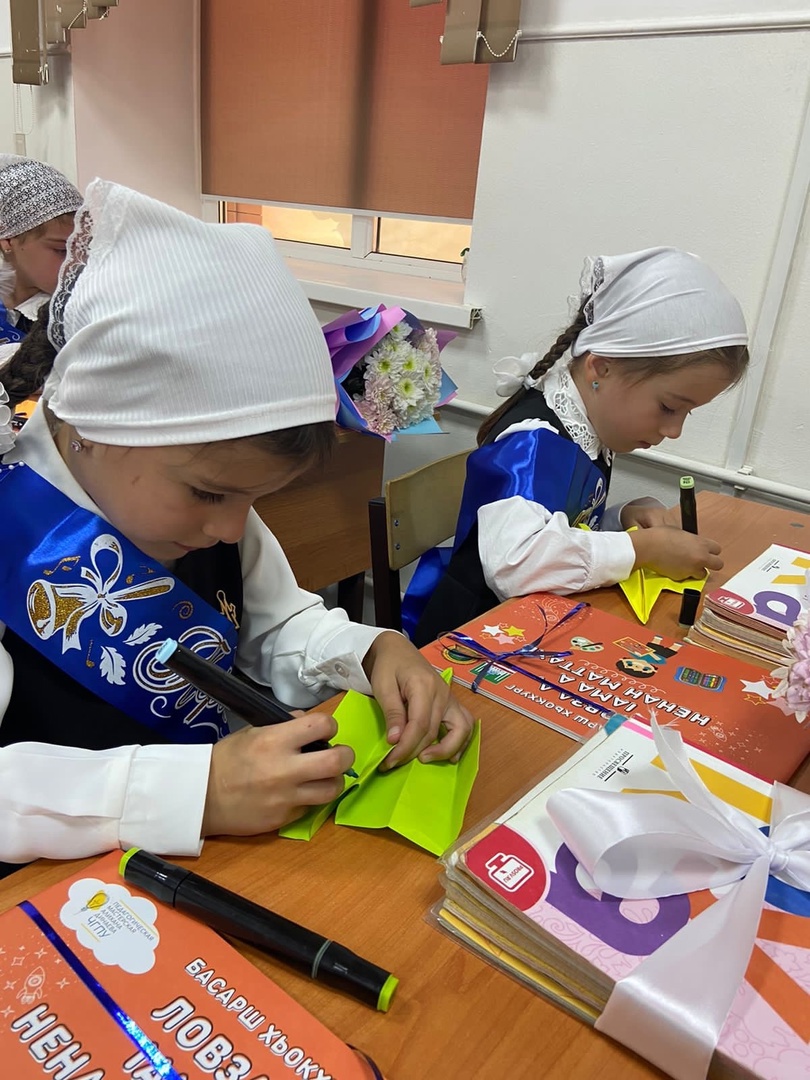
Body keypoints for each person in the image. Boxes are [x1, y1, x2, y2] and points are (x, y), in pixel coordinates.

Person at [0, 179, 474, 872]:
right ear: (94, 424)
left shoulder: (215, 513)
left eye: (252, 500)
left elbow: (274, 627)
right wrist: (192, 792)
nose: (230, 530)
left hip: (220, 864)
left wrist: (372, 651)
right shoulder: (15, 524)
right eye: (209, 493)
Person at [411, 247, 749, 647]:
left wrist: (622, 518)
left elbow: (563, 527)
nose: (674, 430)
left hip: (534, 626)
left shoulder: (587, 424)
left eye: (687, 413)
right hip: (470, 641)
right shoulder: (532, 443)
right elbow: (515, 563)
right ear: (601, 367)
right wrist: (640, 549)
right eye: (669, 406)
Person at [0, 154, 83, 425]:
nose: (76, 264)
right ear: (8, 240)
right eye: (60, 250)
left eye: (83, 249)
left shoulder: (79, 309)